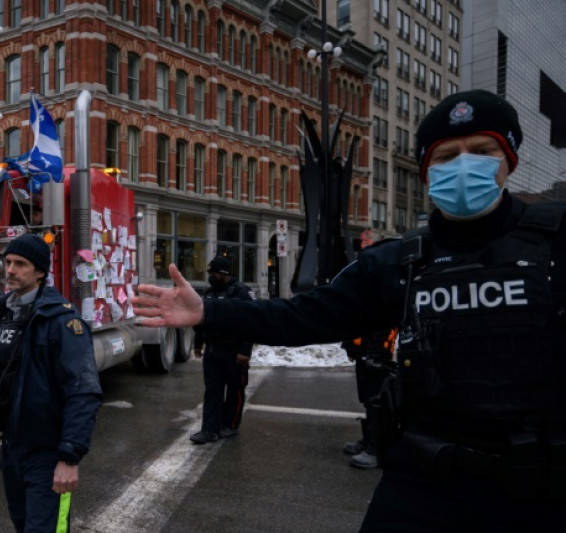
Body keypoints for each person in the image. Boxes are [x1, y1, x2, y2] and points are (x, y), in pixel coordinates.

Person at [132, 90, 566, 531]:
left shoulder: (555, 242)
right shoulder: (399, 262)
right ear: (425, 173)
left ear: (509, 159)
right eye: (446, 156)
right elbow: (302, 316)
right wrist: (209, 312)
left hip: (539, 488)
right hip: (425, 481)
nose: (463, 166)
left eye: (482, 151)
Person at [0, 233, 102, 533]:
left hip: (48, 452)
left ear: (41, 272)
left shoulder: (60, 321)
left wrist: (69, 456)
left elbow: (83, 392)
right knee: (22, 523)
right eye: (9, 262)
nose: (11, 270)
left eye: (21, 264)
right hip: (12, 447)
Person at [190, 256, 257, 444]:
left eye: (214, 273)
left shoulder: (242, 293)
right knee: (213, 390)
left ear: (224, 273)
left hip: (234, 352)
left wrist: (245, 350)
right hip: (213, 350)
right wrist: (198, 344)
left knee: (235, 390)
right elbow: (202, 320)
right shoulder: (209, 293)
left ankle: (230, 424)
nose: (211, 276)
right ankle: (209, 429)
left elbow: (251, 323)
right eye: (209, 273)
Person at [340, 328, 397, 469]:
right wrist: (351, 347)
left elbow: (386, 324)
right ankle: (369, 440)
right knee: (367, 399)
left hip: (378, 354)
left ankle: (376, 449)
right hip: (364, 352)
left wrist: (376, 354)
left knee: (377, 400)